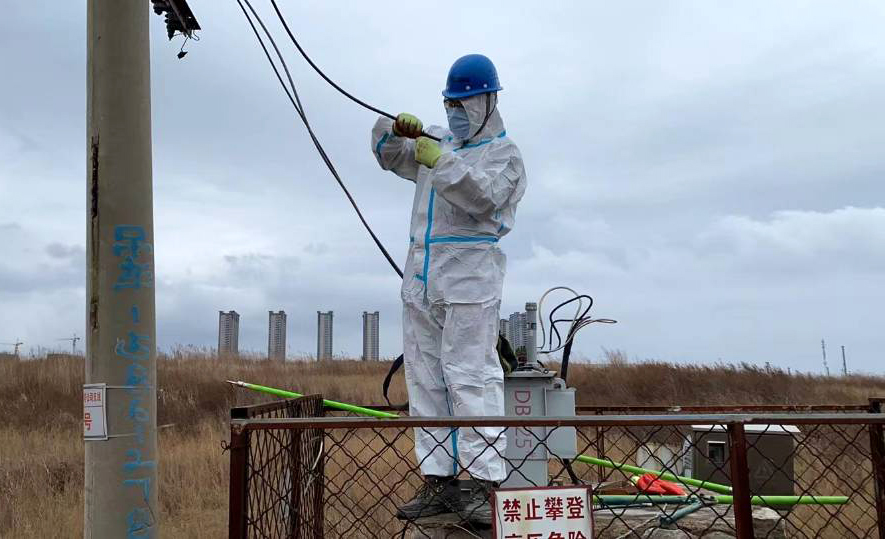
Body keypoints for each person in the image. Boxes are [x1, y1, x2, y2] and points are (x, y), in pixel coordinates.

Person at [370, 54, 526, 524]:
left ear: (488, 101)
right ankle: (439, 480)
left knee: (471, 375)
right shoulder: (437, 142)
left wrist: (443, 162)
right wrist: (393, 130)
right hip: (421, 274)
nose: (456, 111)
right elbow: (388, 155)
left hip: (470, 275)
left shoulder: (505, 155)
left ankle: (483, 483)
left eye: (464, 103)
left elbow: (485, 198)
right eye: (450, 103)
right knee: (426, 378)